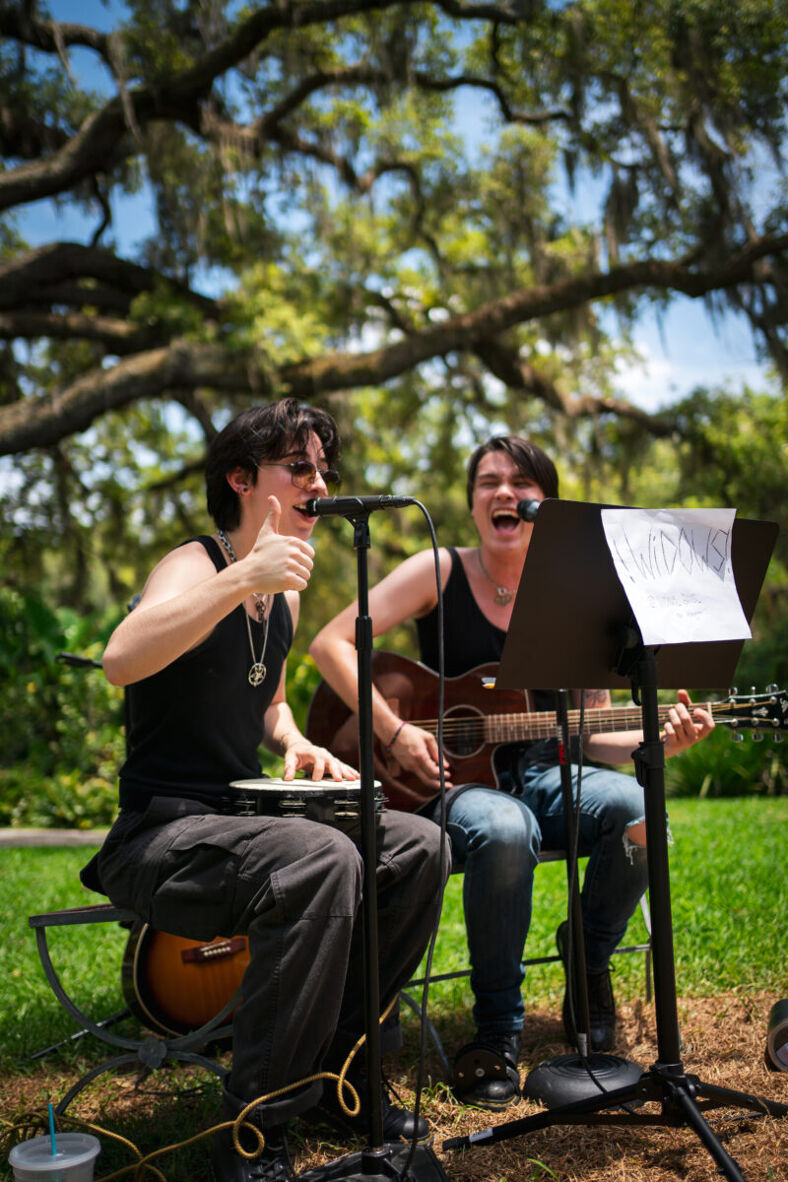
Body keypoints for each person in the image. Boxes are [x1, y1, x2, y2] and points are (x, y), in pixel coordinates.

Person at [80, 399, 450, 1182]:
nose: (320, 483)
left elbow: (271, 701)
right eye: (300, 467)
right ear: (242, 479)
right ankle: (256, 1128)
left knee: (420, 844)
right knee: (319, 859)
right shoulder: (195, 565)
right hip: (159, 836)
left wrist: (297, 741)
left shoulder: (282, 593)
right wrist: (238, 577)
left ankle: (338, 1080)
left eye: (326, 469)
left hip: (242, 824)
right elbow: (119, 659)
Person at [309, 434, 714, 1110]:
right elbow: (330, 644)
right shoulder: (439, 569)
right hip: (445, 779)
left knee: (643, 812)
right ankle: (497, 1030)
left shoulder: (579, 592)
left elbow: (598, 729)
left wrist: (660, 745)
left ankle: (587, 957)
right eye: (488, 481)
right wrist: (397, 731)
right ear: (472, 505)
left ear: (546, 506)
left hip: (546, 771)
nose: (504, 492)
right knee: (504, 826)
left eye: (521, 482)